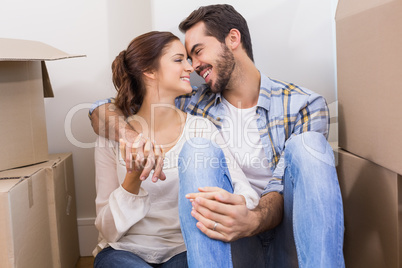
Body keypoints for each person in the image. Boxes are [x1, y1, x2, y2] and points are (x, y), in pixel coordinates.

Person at [90, 4, 345, 268]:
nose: (193, 66)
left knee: (310, 144)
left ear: (233, 39)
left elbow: (281, 186)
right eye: (184, 58)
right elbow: (103, 109)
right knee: (198, 148)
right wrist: (129, 138)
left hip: (290, 236)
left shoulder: (303, 104)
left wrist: (252, 217)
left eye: (197, 52)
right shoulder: (192, 103)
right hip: (228, 244)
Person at [92, 31, 259, 268]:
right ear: (149, 71)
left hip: (185, 251)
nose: (191, 67)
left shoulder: (201, 130)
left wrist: (231, 204)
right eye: (179, 59)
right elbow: (107, 230)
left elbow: (246, 193)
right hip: (123, 251)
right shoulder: (113, 138)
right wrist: (132, 179)